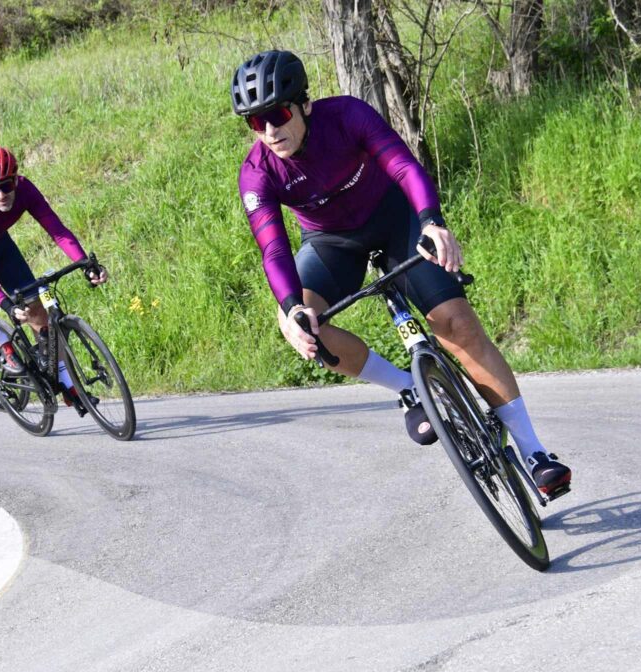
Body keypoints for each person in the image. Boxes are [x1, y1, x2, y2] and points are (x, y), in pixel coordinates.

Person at [232, 50, 571, 496]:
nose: (270, 131)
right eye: (256, 122)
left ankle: (533, 452)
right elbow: (274, 249)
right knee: (298, 324)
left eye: (277, 115)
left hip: (396, 221)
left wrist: (432, 222)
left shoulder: (347, 115)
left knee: (457, 325)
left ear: (304, 105)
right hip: (331, 244)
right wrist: (294, 308)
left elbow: (403, 166)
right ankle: (410, 389)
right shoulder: (257, 173)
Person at [0, 146, 108, 411]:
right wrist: (6, 304)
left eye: (6, 186)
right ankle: (1, 343)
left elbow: (58, 231)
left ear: (16, 179)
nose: (1, 195)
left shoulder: (26, 190)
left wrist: (85, 264)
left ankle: (68, 385)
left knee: (36, 308)